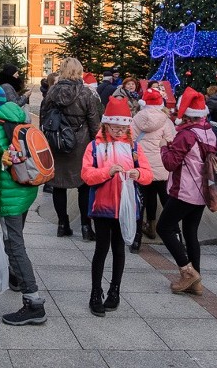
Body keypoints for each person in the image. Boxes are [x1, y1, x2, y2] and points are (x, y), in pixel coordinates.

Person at [0, 83, 47, 326]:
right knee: (15, 241)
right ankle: (16, 278)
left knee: (15, 245)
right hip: (27, 191)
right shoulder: (21, 119)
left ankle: (34, 302)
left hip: (9, 197)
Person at [82, 97, 152, 316]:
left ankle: (115, 291)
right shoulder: (94, 147)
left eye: (123, 127)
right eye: (115, 127)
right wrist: (107, 172)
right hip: (102, 207)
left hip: (126, 207)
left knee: (119, 250)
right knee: (101, 250)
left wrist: (138, 173)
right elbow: (86, 176)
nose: (120, 131)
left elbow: (149, 175)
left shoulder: (134, 148)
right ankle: (95, 293)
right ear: (106, 124)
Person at [158, 87, 216, 296]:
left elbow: (170, 164)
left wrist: (164, 147)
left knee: (164, 228)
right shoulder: (208, 131)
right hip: (202, 193)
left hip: (185, 191)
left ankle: (187, 271)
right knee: (191, 232)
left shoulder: (186, 136)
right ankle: (196, 281)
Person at [40, 58, 102, 241]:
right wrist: (96, 145)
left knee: (58, 185)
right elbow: (94, 122)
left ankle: (62, 224)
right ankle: (85, 227)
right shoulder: (86, 93)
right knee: (84, 186)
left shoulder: (52, 92)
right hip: (80, 144)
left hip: (57, 142)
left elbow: (44, 118)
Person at [132, 88, 176, 248]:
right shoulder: (166, 120)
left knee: (140, 202)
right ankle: (176, 236)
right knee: (167, 202)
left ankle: (136, 240)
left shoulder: (137, 118)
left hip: (142, 167)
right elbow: (172, 141)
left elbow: (131, 140)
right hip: (162, 167)